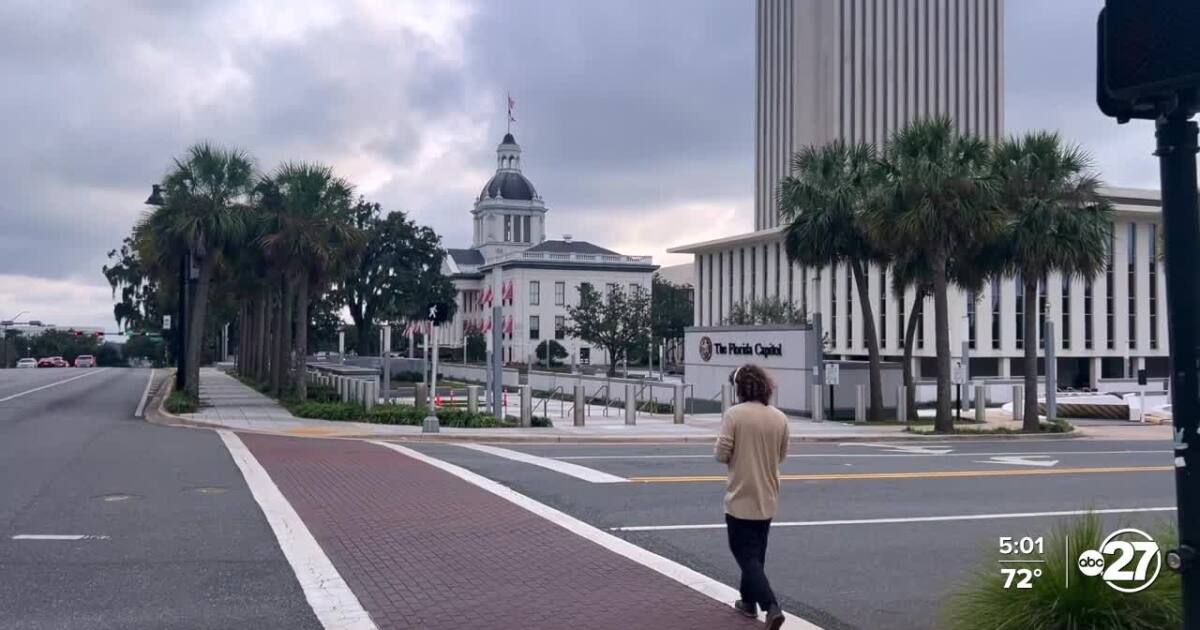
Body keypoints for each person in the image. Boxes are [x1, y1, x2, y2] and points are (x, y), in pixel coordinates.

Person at [714, 364, 789, 629]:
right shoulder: (780, 418)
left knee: (744, 554)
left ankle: (771, 606)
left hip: (741, 495)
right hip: (767, 495)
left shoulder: (734, 415)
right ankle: (748, 602)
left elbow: (721, 454)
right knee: (756, 553)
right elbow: (781, 456)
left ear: (740, 387)